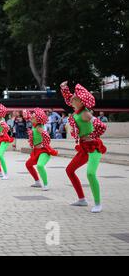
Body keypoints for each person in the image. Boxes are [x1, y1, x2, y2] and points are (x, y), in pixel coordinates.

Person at [60, 81, 107, 213]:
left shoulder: (85, 114)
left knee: (90, 173)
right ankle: (82, 199)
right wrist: (64, 88)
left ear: (80, 102)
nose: (71, 100)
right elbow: (68, 98)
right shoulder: (77, 109)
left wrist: (93, 135)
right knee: (70, 170)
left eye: (74, 99)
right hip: (84, 147)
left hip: (94, 147)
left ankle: (98, 203)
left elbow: (102, 126)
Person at [23, 109, 58, 191]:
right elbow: (28, 117)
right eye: (32, 116)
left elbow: (46, 135)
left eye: (33, 117)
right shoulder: (35, 125)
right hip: (36, 151)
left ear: (38, 119)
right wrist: (26, 113)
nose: (31, 118)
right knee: (28, 164)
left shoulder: (39, 127)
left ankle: (46, 184)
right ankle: (37, 182)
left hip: (43, 151)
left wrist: (44, 144)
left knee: (40, 166)